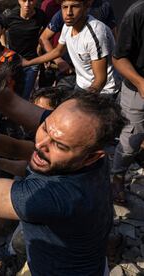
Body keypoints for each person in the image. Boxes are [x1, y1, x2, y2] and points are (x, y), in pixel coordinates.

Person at [0, 67, 126, 275]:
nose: (41, 145)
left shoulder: (53, 197)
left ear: (94, 156)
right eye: (45, 128)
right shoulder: (79, 140)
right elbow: (11, 109)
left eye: (60, 146)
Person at [23, 0, 119, 95]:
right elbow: (57, 51)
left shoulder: (96, 34)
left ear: (86, 7)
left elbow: (100, 80)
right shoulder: (68, 26)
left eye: (75, 6)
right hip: (82, 83)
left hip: (104, 91)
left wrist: (83, 102)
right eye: (65, 7)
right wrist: (28, 63)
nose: (68, 13)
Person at [111, 0, 144, 204]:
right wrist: (140, 82)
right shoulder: (137, 13)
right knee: (130, 141)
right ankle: (117, 178)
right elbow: (119, 58)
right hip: (136, 88)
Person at [3, 0, 48, 99]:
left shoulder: (41, 16)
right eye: (24, 0)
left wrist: (40, 45)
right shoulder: (11, 16)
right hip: (14, 62)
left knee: (24, 96)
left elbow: (48, 31)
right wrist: (4, 48)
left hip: (32, 62)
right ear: (19, 1)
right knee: (11, 94)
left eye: (31, 0)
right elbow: (1, 29)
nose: (27, 4)